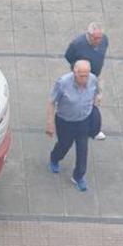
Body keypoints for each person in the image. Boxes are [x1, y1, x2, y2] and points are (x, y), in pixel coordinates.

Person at [46, 60, 100, 192]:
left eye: (87, 75)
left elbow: (97, 92)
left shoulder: (93, 79)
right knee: (64, 144)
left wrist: (97, 100)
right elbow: (51, 102)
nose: (85, 79)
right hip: (65, 122)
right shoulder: (63, 83)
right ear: (74, 72)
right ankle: (55, 158)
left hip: (83, 121)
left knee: (83, 149)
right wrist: (50, 123)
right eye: (82, 76)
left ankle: (78, 176)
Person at [64, 22, 109, 140]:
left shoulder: (104, 40)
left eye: (100, 38)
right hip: (81, 77)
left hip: (96, 77)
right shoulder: (77, 44)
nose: (98, 41)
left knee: (95, 101)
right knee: (79, 100)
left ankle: (93, 129)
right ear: (88, 35)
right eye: (95, 38)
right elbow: (68, 56)